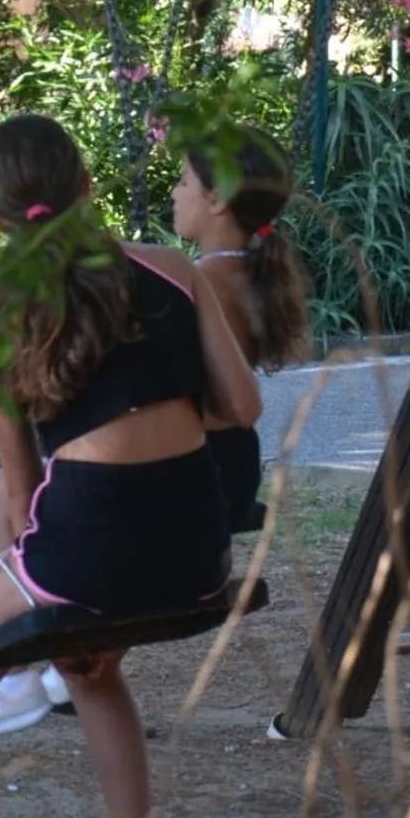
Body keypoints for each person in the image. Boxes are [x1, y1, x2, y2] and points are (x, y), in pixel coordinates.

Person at [0, 113, 262, 818]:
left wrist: (36, 566)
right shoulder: (172, 269)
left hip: (85, 540)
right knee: (93, 669)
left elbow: (22, 480)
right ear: (85, 184)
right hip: (196, 542)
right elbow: (243, 407)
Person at [170, 127, 310, 544]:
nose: (174, 194)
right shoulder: (249, 271)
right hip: (236, 462)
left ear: (217, 198)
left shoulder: (202, 282)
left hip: (201, 464)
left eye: (183, 182)